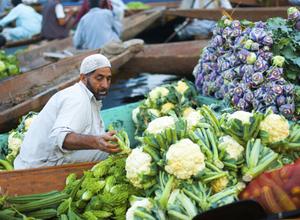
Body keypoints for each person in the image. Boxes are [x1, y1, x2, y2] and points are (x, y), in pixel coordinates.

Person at [14, 54, 121, 169]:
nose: (105, 85)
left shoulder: (83, 94)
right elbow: (59, 137)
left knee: (109, 143)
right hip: (41, 165)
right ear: (83, 78)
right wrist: (96, 141)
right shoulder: (77, 98)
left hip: (32, 161)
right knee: (112, 150)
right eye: (99, 78)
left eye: (108, 79)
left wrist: (97, 139)